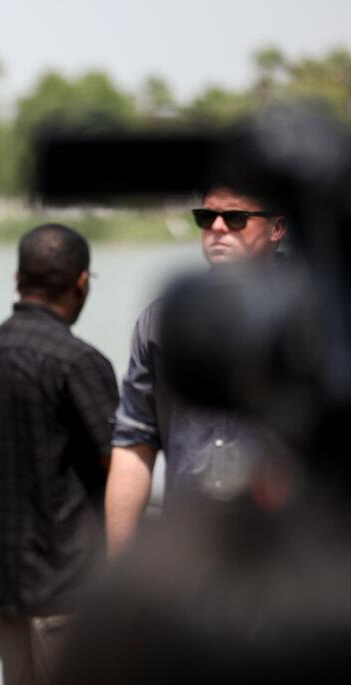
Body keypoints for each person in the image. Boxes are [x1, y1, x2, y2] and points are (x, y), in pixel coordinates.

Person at [0, 223, 119, 685]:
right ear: (82, 282)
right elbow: (119, 464)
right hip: (70, 583)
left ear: (17, 278)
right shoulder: (79, 362)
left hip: (5, 585)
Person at [104, 184, 288, 556]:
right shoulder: (162, 319)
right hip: (191, 547)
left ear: (277, 228)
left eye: (235, 218)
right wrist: (119, 565)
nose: (218, 227)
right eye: (206, 218)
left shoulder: (318, 312)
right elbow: (134, 443)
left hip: (290, 549)